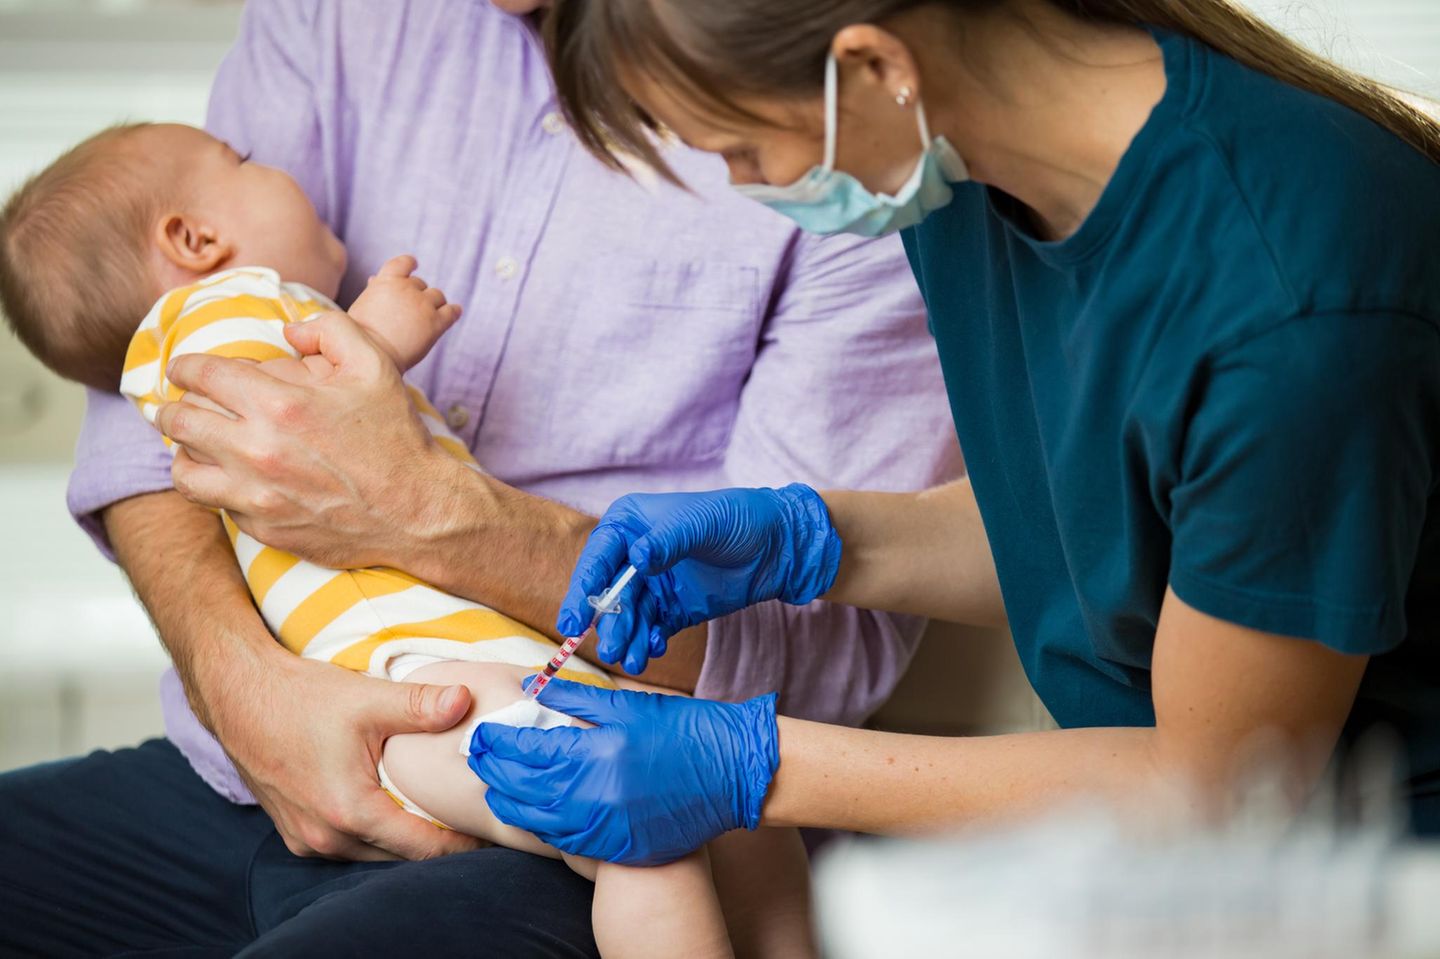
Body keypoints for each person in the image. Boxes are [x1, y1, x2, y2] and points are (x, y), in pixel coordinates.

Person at [0, 1, 957, 955]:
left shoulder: (818, 119)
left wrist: (432, 512)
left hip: (551, 756)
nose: (264, 167)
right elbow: (146, 388)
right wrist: (243, 687)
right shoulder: (329, 24)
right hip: (240, 754)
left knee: (671, 842)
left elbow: (819, 642)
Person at [468, 0, 1440, 868]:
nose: (744, 185)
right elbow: (1112, 526)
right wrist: (814, 538)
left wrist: (752, 765)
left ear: (874, 68)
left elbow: (1218, 787)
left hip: (1358, 864)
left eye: (741, 149)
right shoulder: (957, 174)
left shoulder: (1294, 307)